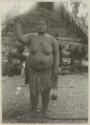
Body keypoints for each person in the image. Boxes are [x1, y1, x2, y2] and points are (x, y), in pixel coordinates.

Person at [15, 18, 60, 115]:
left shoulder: (51, 39)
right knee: (34, 91)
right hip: (34, 70)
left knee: (46, 91)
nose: (41, 25)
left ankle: (45, 109)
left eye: (43, 24)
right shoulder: (31, 37)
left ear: (46, 26)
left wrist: (56, 67)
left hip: (47, 71)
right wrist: (18, 24)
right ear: (36, 26)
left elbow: (57, 53)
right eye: (39, 24)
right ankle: (33, 109)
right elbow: (19, 38)